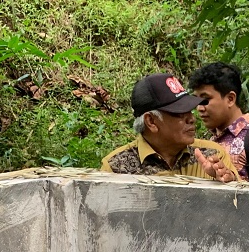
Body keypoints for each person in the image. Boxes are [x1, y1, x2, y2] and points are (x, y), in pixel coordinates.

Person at [101, 72, 237, 180]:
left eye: (189, 110)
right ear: (151, 122)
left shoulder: (213, 155)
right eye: (179, 113)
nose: (192, 118)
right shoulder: (116, 169)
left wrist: (229, 182)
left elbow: (240, 202)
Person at [189, 62, 249, 183]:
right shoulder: (210, 141)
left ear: (230, 99)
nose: (199, 108)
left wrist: (232, 179)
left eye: (205, 99)